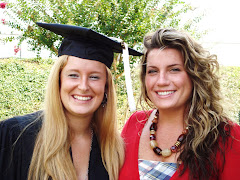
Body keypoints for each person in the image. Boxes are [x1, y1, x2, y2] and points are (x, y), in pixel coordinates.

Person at [0, 22, 142, 180]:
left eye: (94, 77)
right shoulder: (14, 135)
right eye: (73, 75)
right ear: (59, 81)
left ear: (106, 87)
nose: (83, 86)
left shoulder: (113, 150)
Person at [119, 28, 240, 180]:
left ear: (194, 75)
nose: (161, 81)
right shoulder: (134, 124)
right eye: (153, 71)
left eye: (174, 69)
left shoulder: (228, 136)